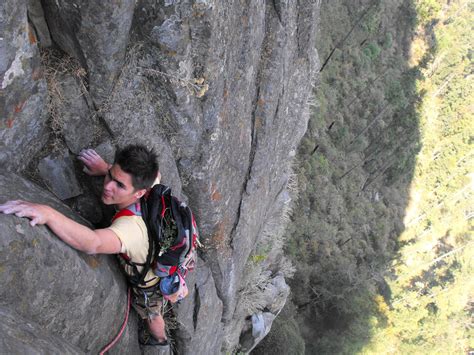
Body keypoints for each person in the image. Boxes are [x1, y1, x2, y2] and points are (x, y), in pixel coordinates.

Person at [0, 144, 167, 347]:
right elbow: (154, 174)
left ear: (140, 193)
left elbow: (93, 243)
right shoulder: (149, 183)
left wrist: (48, 213)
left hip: (149, 281)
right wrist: (104, 167)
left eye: (119, 186)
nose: (108, 186)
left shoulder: (131, 229)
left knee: (151, 313)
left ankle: (160, 341)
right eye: (111, 176)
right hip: (149, 239)